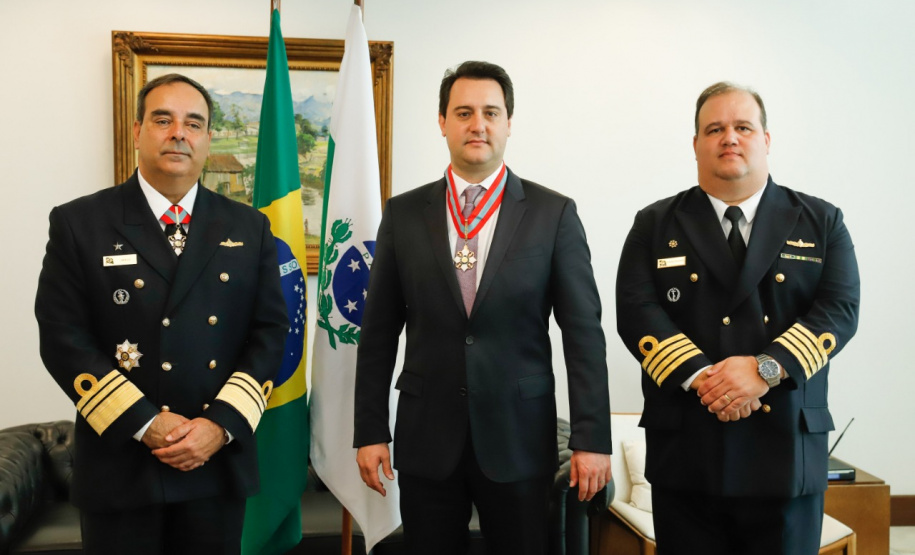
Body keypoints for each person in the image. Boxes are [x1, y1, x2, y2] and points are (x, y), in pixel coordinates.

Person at [353, 61, 612, 554]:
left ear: (509, 123)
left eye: (491, 112)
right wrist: (369, 431)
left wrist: (591, 439)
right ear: (442, 121)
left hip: (519, 440)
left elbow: (583, 335)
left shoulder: (553, 213)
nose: (478, 124)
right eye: (464, 112)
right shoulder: (404, 214)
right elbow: (379, 331)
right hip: (427, 439)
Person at [34, 73, 288, 554]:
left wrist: (220, 425)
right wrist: (148, 423)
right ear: (136, 131)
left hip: (215, 461)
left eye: (194, 123)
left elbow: (270, 333)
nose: (179, 133)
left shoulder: (248, 226)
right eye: (163, 119)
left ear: (208, 139)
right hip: (120, 466)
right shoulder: (79, 223)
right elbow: (63, 337)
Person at [615, 82, 860, 554]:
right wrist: (708, 379)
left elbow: (839, 311)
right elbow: (637, 312)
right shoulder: (656, 223)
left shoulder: (821, 221)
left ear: (766, 139)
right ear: (696, 145)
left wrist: (764, 369)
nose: (729, 137)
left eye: (742, 127)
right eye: (715, 129)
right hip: (689, 451)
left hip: (785, 453)